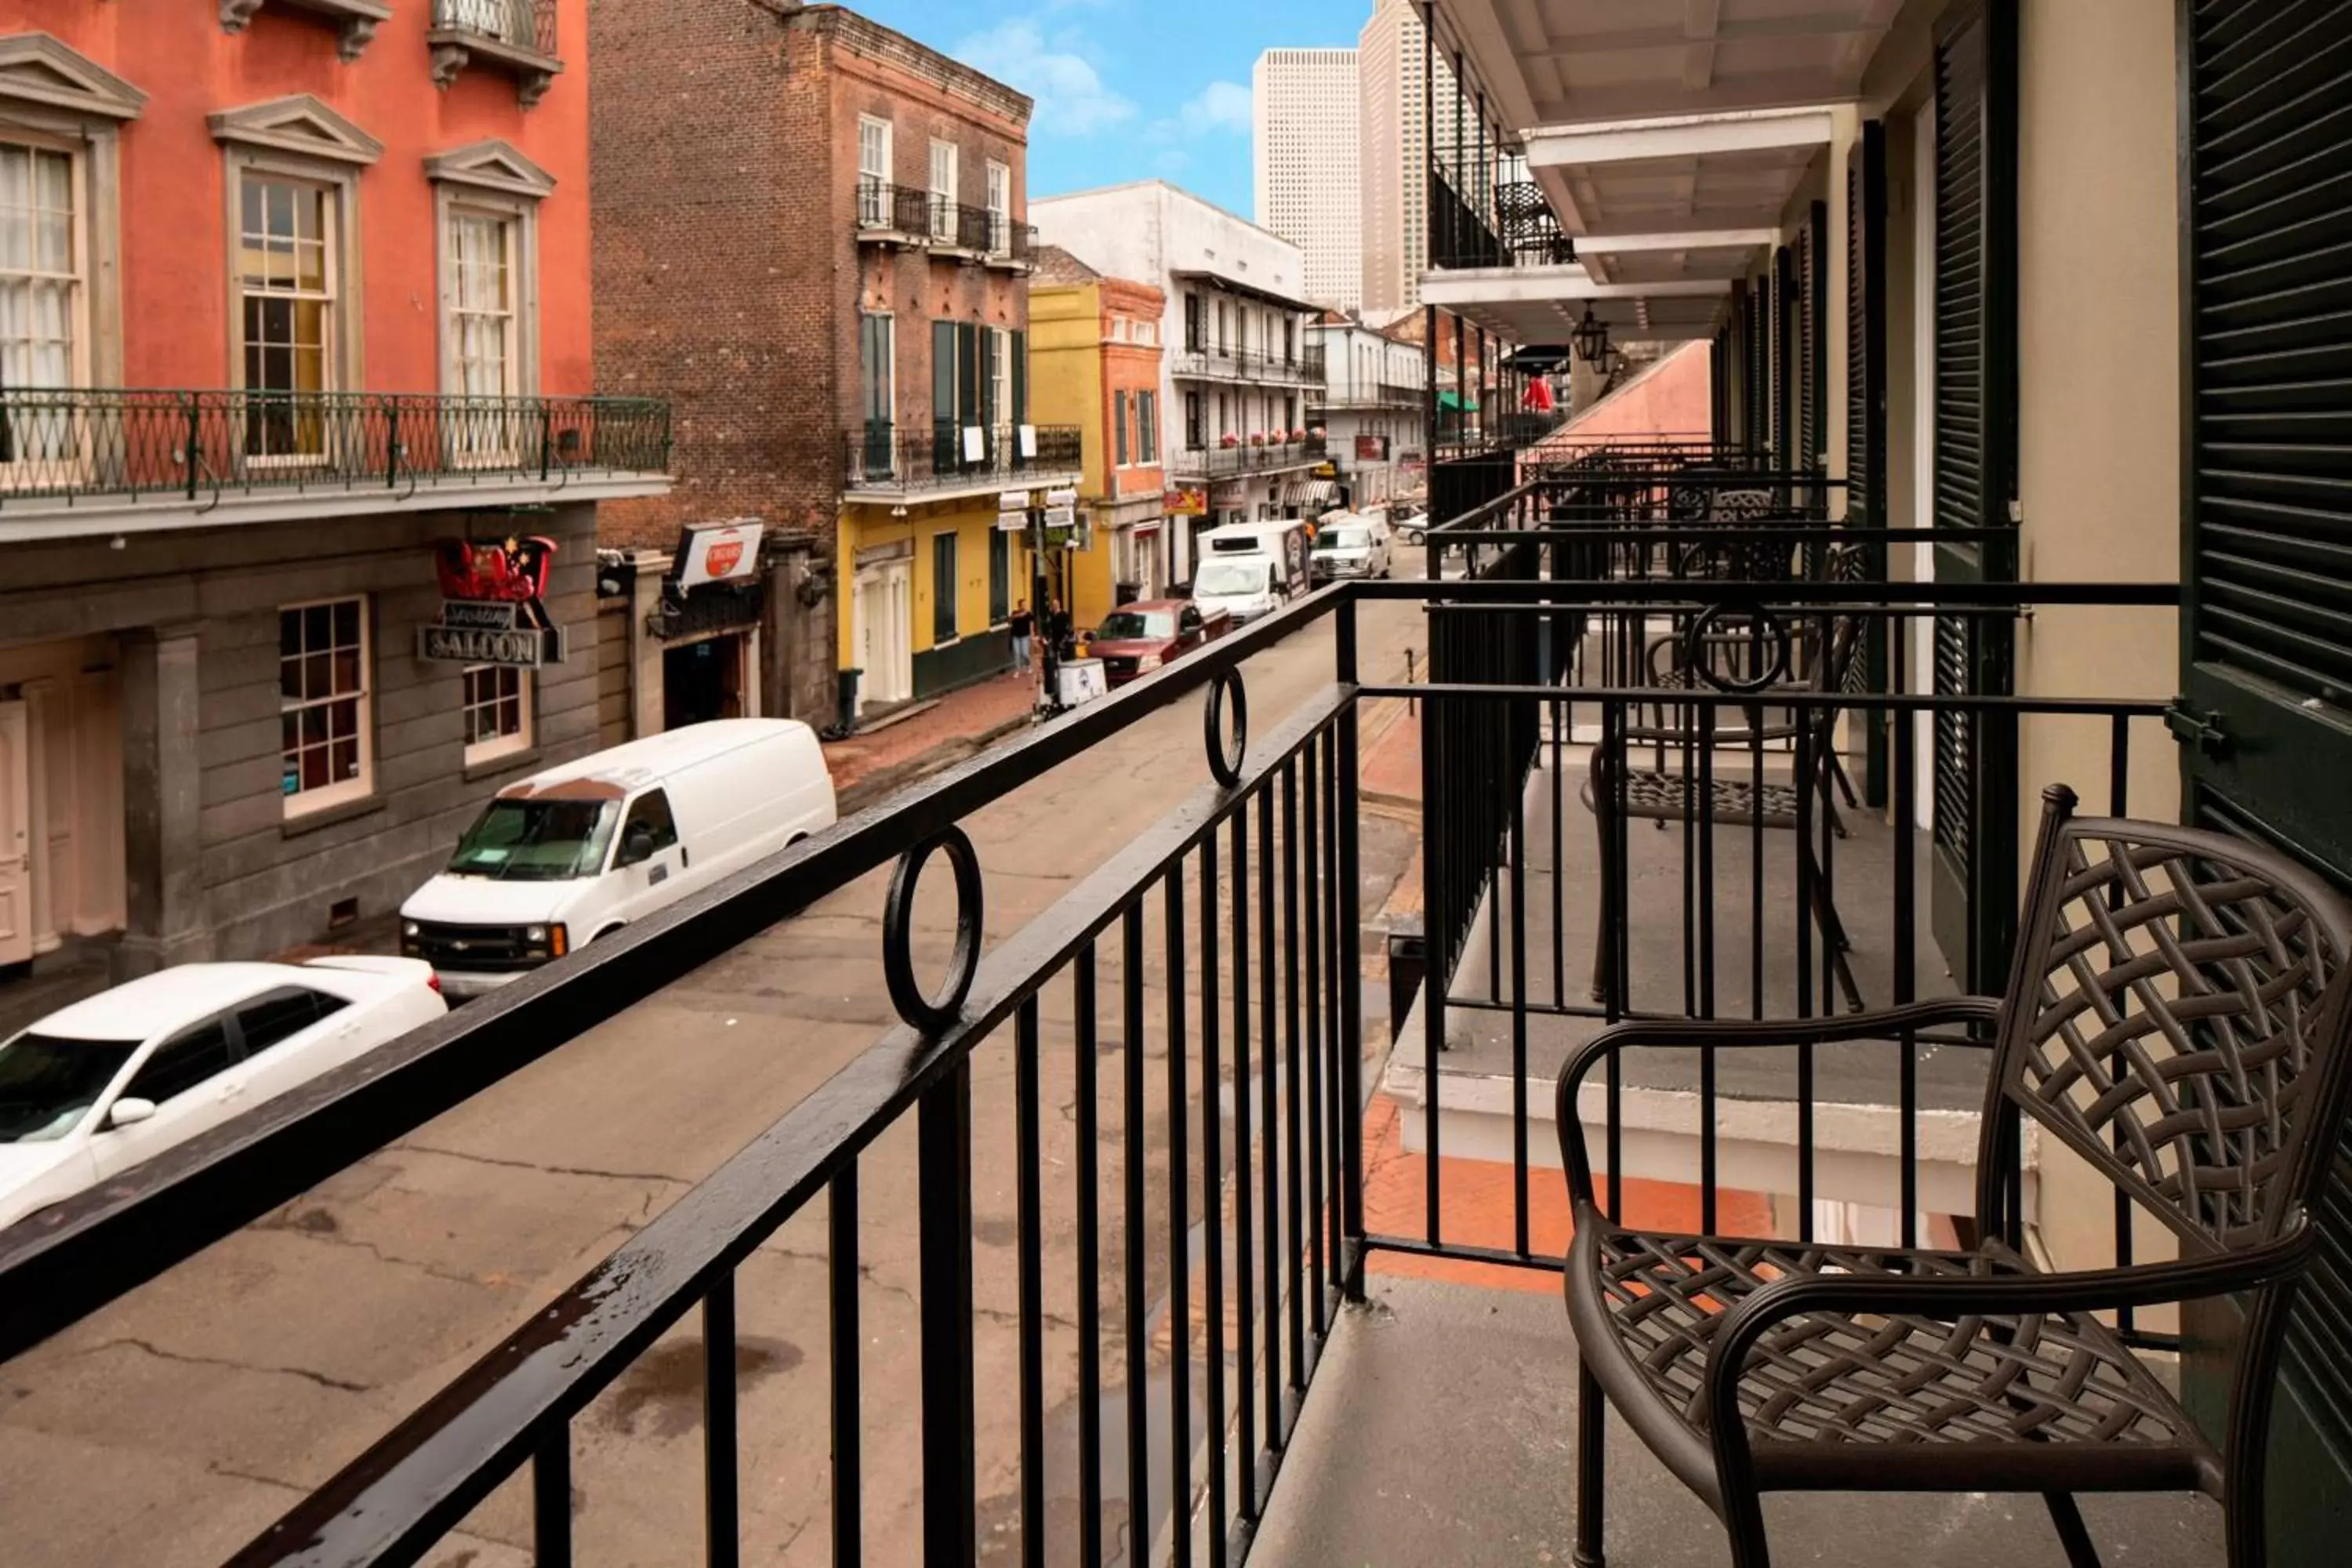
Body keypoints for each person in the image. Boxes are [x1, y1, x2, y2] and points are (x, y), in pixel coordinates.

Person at [1008, 599, 1034, 672]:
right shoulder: (1015, 613)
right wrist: (1016, 616)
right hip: (1016, 636)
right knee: (1017, 653)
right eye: (1022, 605)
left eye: (1025, 604)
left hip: (1025, 636)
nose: (1024, 606)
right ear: (1019, 605)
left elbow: (1031, 624)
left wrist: (1032, 634)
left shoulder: (1029, 614)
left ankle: (1028, 665)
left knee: (1025, 653)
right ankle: (1017, 670)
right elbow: (1009, 621)